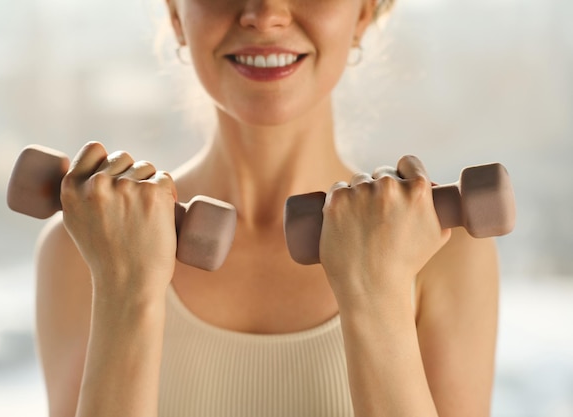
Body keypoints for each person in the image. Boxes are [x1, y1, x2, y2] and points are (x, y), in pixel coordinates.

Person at [34, 0, 500, 416]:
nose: (265, 13)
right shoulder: (83, 246)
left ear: (363, 12)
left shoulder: (447, 252)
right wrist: (126, 291)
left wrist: (376, 298)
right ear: (176, 14)